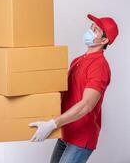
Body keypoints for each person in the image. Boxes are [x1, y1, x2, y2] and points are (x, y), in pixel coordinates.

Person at [28, 13, 119, 163]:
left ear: (104, 40)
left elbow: (86, 105)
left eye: (95, 30)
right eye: (91, 27)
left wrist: (52, 124)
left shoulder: (99, 66)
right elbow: (65, 92)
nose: (90, 30)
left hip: (81, 139)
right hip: (66, 131)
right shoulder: (79, 60)